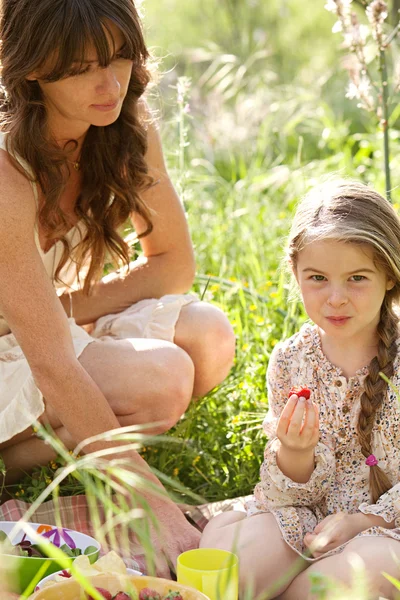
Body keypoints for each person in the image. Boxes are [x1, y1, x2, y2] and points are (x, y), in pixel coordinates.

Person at [0, 0, 235, 577]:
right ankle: (21, 462)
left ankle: (78, 441)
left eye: (121, 57)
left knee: (206, 336)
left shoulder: (122, 123)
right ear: (33, 67)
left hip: (33, 335)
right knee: (158, 378)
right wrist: (151, 501)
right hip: (23, 353)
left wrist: (55, 310)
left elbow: (173, 266)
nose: (110, 84)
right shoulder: (5, 168)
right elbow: (52, 361)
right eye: (82, 68)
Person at [201, 180, 400, 599]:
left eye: (357, 278)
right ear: (296, 274)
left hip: (386, 530)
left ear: (389, 276)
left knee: (329, 588)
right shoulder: (292, 360)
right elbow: (293, 494)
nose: (336, 298)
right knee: (229, 578)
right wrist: (294, 451)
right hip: (306, 520)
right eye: (318, 278)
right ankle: (238, 538)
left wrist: (363, 521)